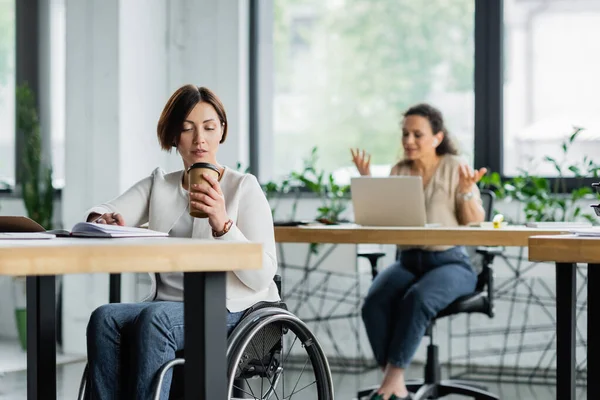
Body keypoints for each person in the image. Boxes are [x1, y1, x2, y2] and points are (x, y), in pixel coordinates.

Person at [84, 84, 279, 399]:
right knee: (104, 317)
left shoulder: (243, 187)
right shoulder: (160, 185)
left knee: (155, 318)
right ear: (174, 136)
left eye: (209, 128)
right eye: (187, 129)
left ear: (221, 132)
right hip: (167, 305)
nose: (199, 138)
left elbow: (262, 274)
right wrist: (102, 220)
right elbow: (107, 210)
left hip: (231, 307)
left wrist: (223, 223)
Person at [351, 103, 487, 400]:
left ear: (437, 137)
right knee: (373, 304)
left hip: (451, 263)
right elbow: (383, 220)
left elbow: (475, 222)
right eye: (405, 134)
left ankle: (391, 382)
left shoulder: (454, 166)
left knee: (417, 298)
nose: (408, 141)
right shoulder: (399, 170)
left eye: (417, 134)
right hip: (408, 262)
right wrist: (368, 183)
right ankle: (395, 383)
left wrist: (466, 190)